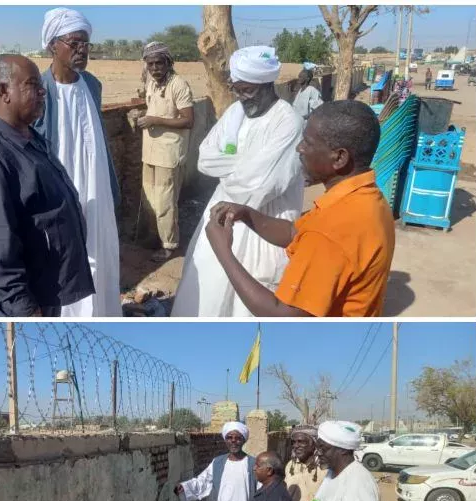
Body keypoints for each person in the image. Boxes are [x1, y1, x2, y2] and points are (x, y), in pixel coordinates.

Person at [206, 99, 395, 317]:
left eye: (308, 142)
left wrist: (223, 251)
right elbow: (294, 232)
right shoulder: (367, 199)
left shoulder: (330, 231)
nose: (299, 148)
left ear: (340, 158)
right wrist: (247, 214)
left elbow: (281, 316)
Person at [171, 46, 304, 317]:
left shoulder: (287, 122)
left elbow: (259, 186)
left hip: (265, 223)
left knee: (250, 300)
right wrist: (248, 162)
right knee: (208, 287)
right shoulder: (235, 113)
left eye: (248, 90)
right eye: (237, 89)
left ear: (267, 85)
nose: (242, 97)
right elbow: (205, 159)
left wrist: (238, 169)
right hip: (223, 214)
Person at [0, 54, 94, 317]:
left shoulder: (31, 138)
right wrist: (27, 311)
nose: (43, 91)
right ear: (4, 91)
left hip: (46, 288)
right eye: (33, 84)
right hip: (22, 304)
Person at [35, 7, 121, 317]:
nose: (82, 50)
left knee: (100, 244)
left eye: (86, 43)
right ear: (52, 46)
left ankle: (104, 311)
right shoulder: (39, 92)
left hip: (95, 181)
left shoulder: (93, 85)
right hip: (60, 188)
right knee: (66, 252)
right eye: (74, 42)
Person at [137, 42, 195, 262]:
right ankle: (156, 237)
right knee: (150, 199)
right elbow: (154, 108)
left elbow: (188, 120)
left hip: (168, 154)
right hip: (150, 151)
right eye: (150, 64)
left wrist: (155, 120)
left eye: (159, 63)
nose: (154, 68)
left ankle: (169, 245)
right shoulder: (152, 82)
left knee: (165, 202)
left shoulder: (178, 85)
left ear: (168, 63)